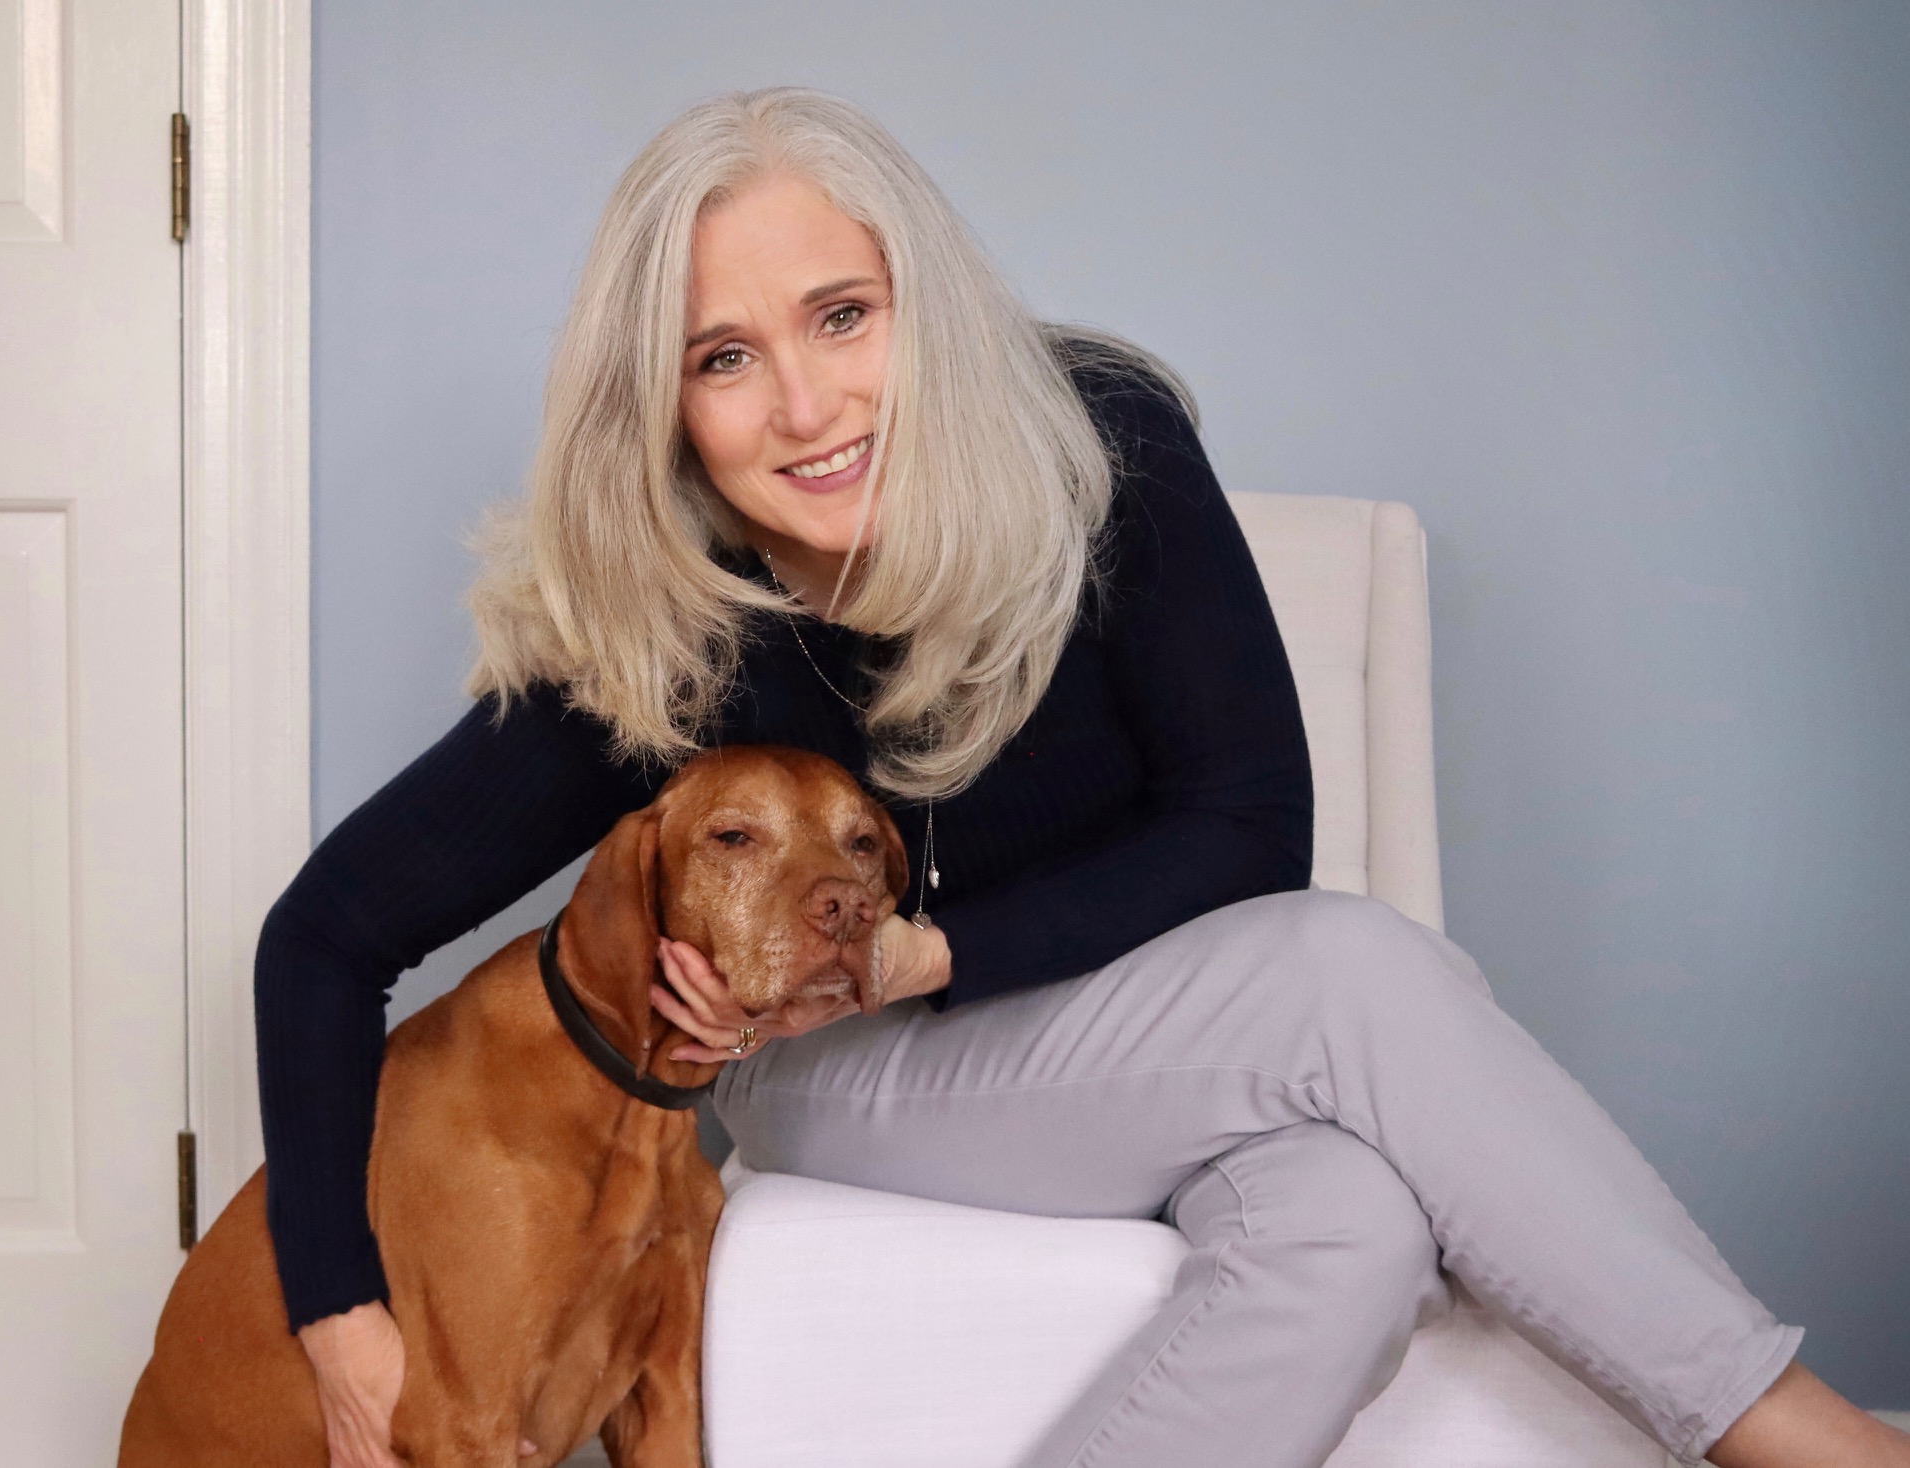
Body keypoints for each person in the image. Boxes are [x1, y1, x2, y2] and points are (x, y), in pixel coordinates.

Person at [258, 88, 1908, 1468]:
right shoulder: (663, 624)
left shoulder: (1095, 443)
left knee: (1346, 1218)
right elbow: (323, 939)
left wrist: (934, 946)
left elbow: (1252, 823)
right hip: (841, 1076)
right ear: (666, 406)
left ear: (921, 301)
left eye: (842, 317)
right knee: (1351, 968)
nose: (808, 404)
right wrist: (338, 1314)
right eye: (724, 357)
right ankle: (1817, 1446)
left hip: (1128, 1051)